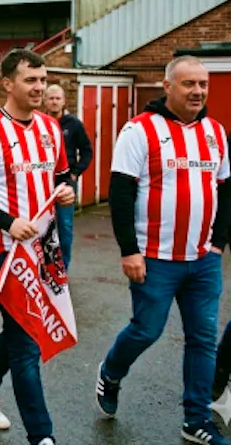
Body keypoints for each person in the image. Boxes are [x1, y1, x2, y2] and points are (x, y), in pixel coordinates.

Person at [95, 55, 231, 445]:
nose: (198, 91)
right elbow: (120, 193)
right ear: (167, 86)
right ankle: (110, 372)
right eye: (189, 84)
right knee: (146, 330)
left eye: (203, 84)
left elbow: (226, 189)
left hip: (203, 259)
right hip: (154, 258)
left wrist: (218, 244)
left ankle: (196, 419)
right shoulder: (139, 131)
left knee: (202, 339)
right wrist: (129, 251)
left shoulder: (216, 132)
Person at [0, 48, 74, 445]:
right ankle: (42, 436)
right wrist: (9, 222)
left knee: (20, 329)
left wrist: (66, 191)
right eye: (30, 80)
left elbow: (62, 176)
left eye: (42, 80)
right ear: (8, 84)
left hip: (45, 248)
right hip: (4, 249)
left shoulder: (50, 128)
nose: (39, 87)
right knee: (27, 339)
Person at [43, 84, 92, 270]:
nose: (54, 102)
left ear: (63, 101)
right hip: (42, 182)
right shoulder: (38, 123)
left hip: (65, 182)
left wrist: (75, 172)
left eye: (57, 98)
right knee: (42, 226)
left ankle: (63, 268)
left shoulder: (74, 124)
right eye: (51, 98)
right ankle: (44, 267)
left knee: (64, 225)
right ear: (45, 101)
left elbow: (87, 151)